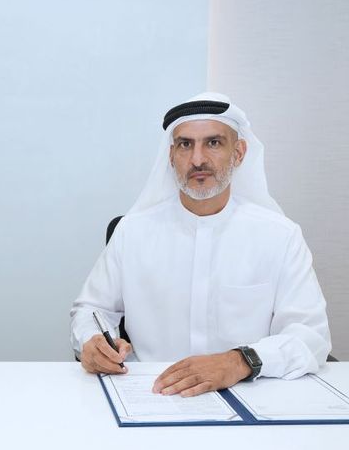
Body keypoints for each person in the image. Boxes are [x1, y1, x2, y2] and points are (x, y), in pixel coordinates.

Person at [70, 92, 330, 397]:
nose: (197, 160)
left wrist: (239, 361)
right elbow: (91, 310)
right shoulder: (132, 232)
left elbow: (310, 335)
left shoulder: (280, 236)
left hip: (248, 392)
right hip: (152, 393)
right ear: (171, 156)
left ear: (239, 153)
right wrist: (92, 342)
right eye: (185, 145)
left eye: (214, 143)